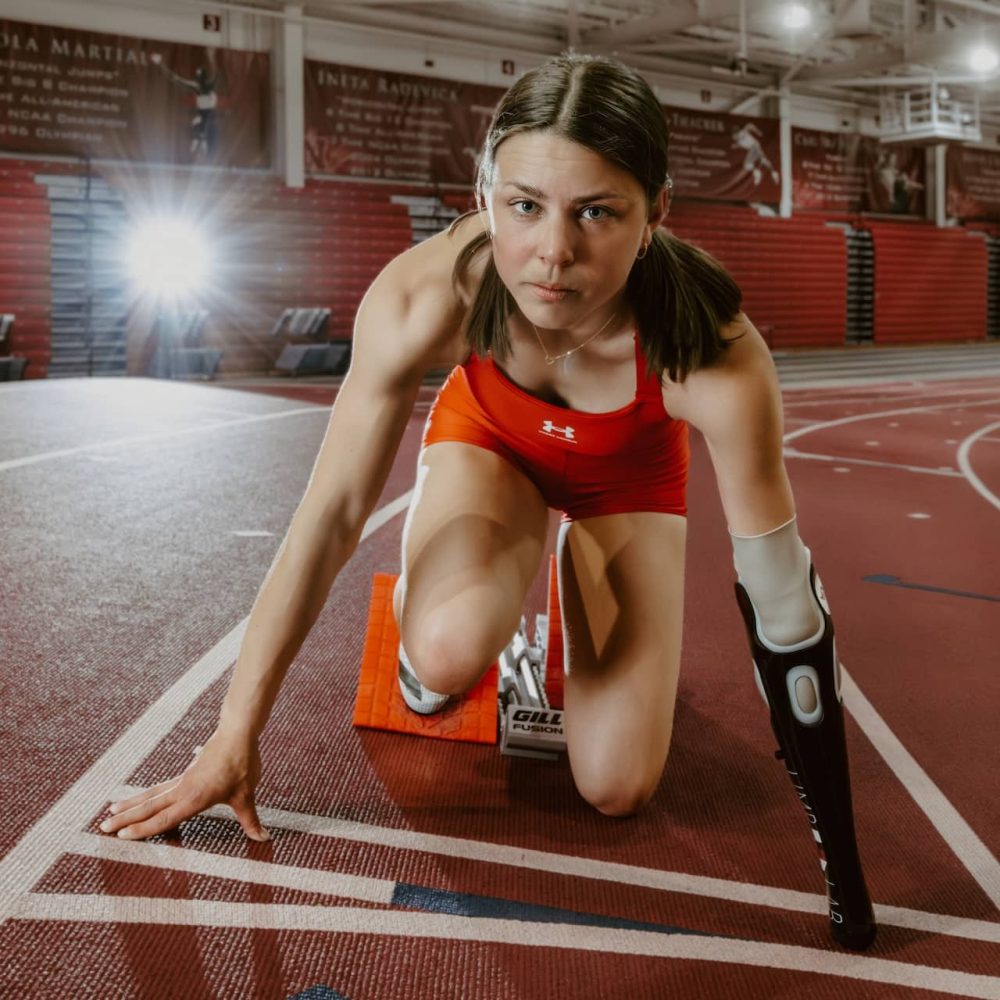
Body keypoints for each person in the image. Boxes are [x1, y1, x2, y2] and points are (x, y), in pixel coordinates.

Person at [101, 53, 876, 950]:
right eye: (524, 206)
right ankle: (465, 608)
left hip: (626, 480)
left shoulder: (717, 358)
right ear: (483, 190)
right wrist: (232, 735)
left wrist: (846, 873)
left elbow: (786, 611)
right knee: (446, 654)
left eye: (597, 212)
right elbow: (332, 515)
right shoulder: (426, 291)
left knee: (616, 786)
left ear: (657, 211)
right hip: (490, 449)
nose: (553, 253)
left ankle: (565, 581)